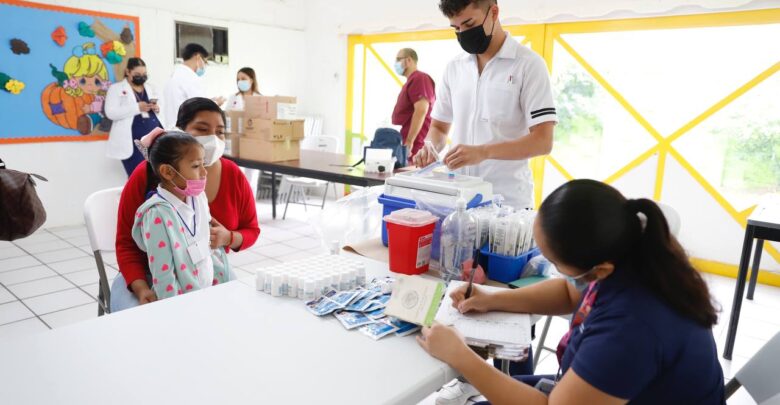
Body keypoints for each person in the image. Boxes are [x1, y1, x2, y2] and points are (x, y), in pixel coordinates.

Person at [418, 179, 725, 404]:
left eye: (554, 262)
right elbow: (570, 293)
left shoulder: (631, 329)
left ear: (599, 269)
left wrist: (461, 356)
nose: (554, 270)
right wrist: (492, 299)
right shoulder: (632, 254)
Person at [113, 97, 260, 311]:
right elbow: (126, 245)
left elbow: (252, 229)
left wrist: (229, 237)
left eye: (219, 132)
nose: (212, 138)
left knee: (237, 315)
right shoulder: (147, 174)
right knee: (146, 329)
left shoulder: (232, 175)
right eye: (202, 129)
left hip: (206, 272)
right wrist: (141, 287)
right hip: (147, 277)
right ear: (179, 131)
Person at [413, 0, 557, 210]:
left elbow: (543, 141)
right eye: (456, 29)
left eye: (469, 24)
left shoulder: (528, 64)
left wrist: (484, 152)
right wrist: (430, 146)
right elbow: (439, 127)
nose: (463, 34)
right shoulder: (454, 68)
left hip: (508, 206)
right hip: (459, 202)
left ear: (494, 12)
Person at [131, 129, 231, 298]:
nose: (204, 172)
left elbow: (209, 248)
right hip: (180, 303)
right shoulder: (156, 215)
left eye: (203, 164)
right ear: (168, 172)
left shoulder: (198, 197)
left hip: (207, 290)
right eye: (195, 166)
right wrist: (176, 311)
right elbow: (163, 276)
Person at [105, 57, 163, 176]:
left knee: (156, 176)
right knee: (138, 176)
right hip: (132, 144)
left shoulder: (152, 88)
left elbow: (163, 108)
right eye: (137, 74)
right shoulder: (116, 89)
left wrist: (157, 108)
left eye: (144, 74)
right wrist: (137, 108)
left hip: (154, 141)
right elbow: (111, 113)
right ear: (128, 72)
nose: (141, 77)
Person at [162, 43, 226, 127]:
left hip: (171, 129)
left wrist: (209, 100)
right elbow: (201, 108)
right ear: (198, 57)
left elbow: (189, 101)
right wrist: (216, 103)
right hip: (185, 130)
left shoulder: (174, 76)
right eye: (205, 62)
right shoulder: (191, 78)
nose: (204, 66)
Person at [391, 48, 436, 161]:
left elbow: (421, 110)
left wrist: (410, 141)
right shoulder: (411, 81)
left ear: (409, 60)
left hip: (413, 147)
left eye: (398, 59)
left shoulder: (419, 78)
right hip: (404, 144)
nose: (395, 63)